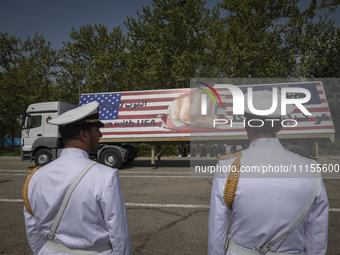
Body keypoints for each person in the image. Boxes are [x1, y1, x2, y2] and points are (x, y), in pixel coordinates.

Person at [208, 91, 329, 255]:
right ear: (280, 125)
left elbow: (217, 231)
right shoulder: (310, 168)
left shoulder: (228, 167)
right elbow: (317, 237)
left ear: (247, 125)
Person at [23, 101, 132, 255]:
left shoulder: (35, 177)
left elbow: (32, 228)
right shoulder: (106, 175)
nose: (100, 134)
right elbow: (118, 233)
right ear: (84, 135)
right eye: (97, 130)